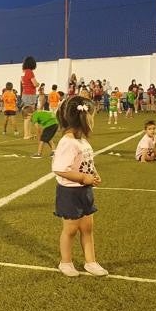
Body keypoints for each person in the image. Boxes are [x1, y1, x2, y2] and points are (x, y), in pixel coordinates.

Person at [52, 96, 107, 277]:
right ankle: (65, 262)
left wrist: (94, 174)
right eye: (92, 116)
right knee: (70, 230)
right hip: (70, 193)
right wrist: (84, 177)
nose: (93, 120)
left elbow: (87, 161)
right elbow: (59, 169)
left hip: (84, 191)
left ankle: (90, 262)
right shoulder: (68, 142)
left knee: (87, 228)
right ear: (83, 118)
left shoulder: (82, 141)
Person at [21, 56, 40, 139]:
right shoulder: (30, 72)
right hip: (30, 95)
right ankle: (26, 134)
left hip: (26, 94)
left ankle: (28, 133)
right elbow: (35, 84)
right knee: (28, 116)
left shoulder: (25, 72)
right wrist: (38, 84)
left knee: (29, 116)